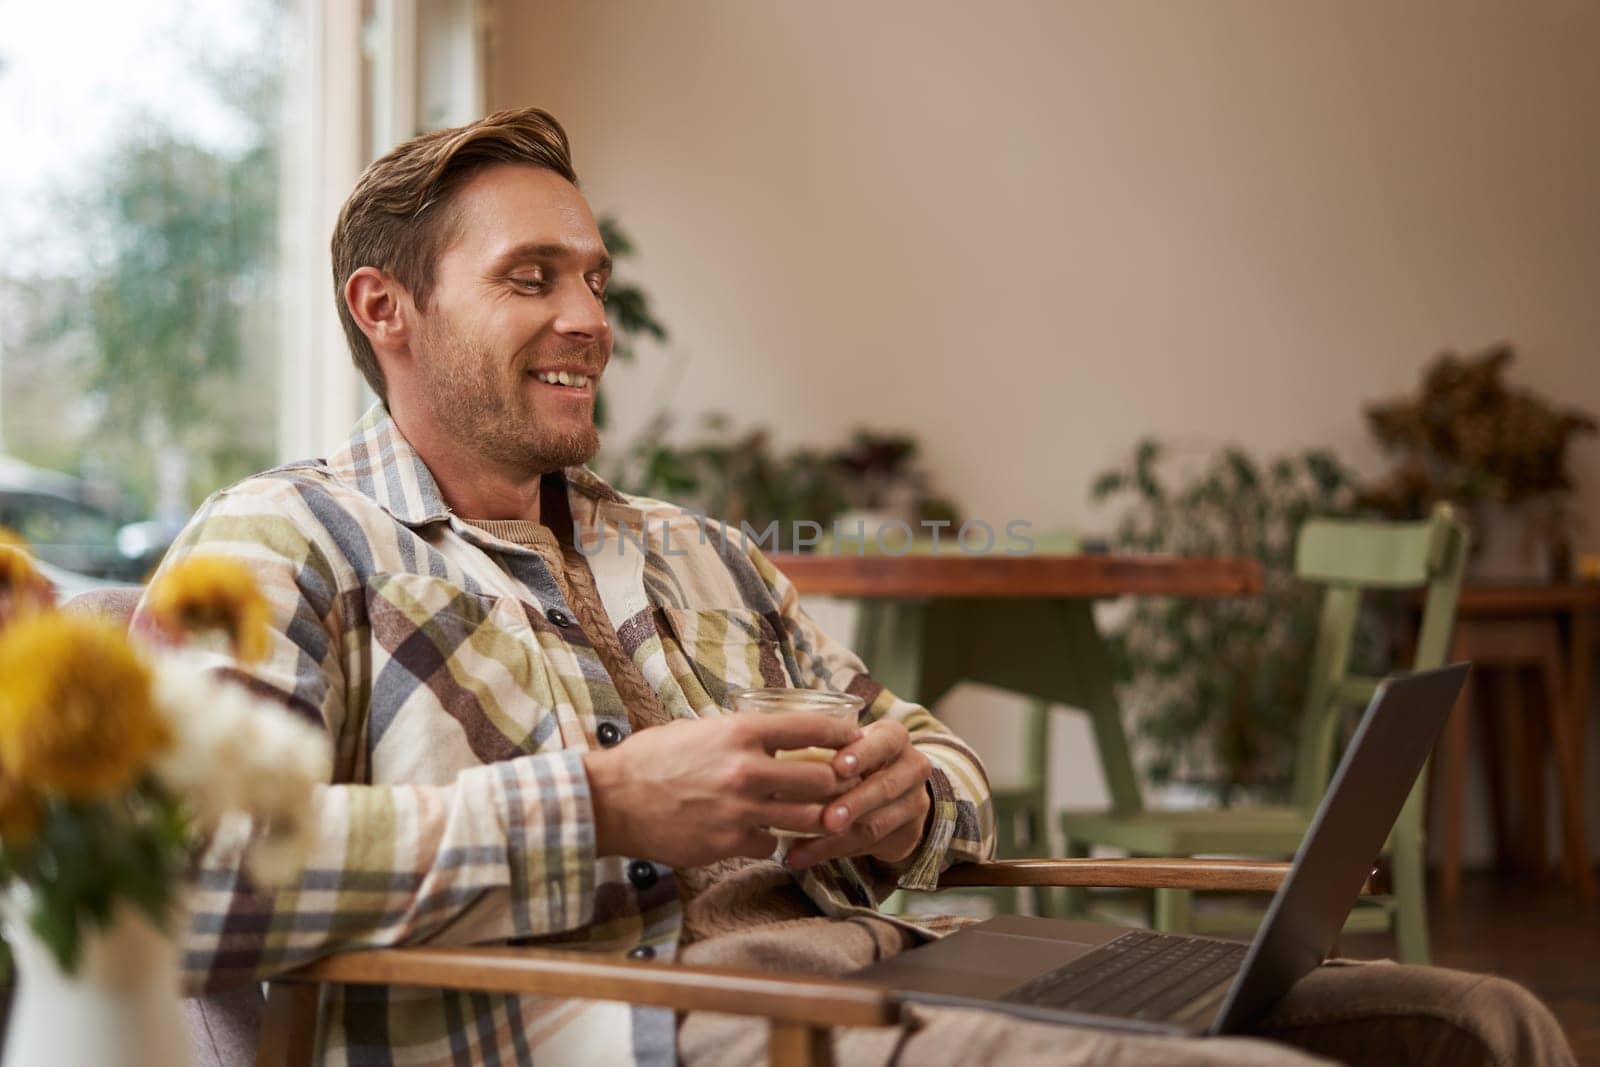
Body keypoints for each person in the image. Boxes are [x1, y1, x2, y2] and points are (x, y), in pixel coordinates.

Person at [140, 106, 1574, 1067]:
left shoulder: (696, 550)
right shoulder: (285, 546)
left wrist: (912, 798)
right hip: (677, 1023)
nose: (591, 318)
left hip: (901, 958)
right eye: (531, 278)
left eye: (593, 277)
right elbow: (179, 881)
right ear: (384, 310)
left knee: (1484, 1027)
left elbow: (934, 743)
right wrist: (607, 807)